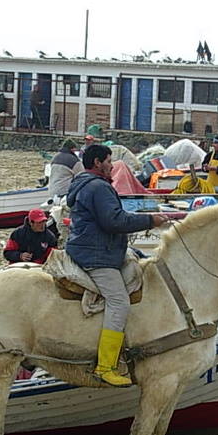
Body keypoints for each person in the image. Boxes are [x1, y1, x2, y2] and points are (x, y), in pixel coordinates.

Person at [65, 144, 170, 387]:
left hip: (91, 247)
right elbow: (114, 220)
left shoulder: (84, 183)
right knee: (119, 301)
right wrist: (150, 220)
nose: (112, 165)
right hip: (96, 255)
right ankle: (105, 366)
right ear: (97, 163)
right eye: (109, 161)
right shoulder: (98, 187)